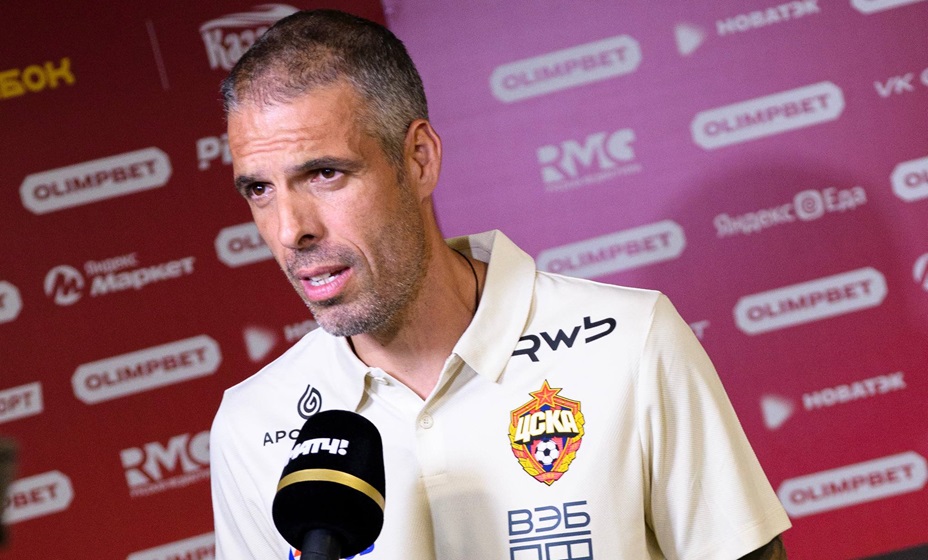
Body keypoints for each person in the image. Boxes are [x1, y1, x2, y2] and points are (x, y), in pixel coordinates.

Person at [209, 9, 791, 560]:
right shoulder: (250, 422)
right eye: (259, 189)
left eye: (324, 173)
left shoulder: (631, 342)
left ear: (419, 159)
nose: (289, 230)